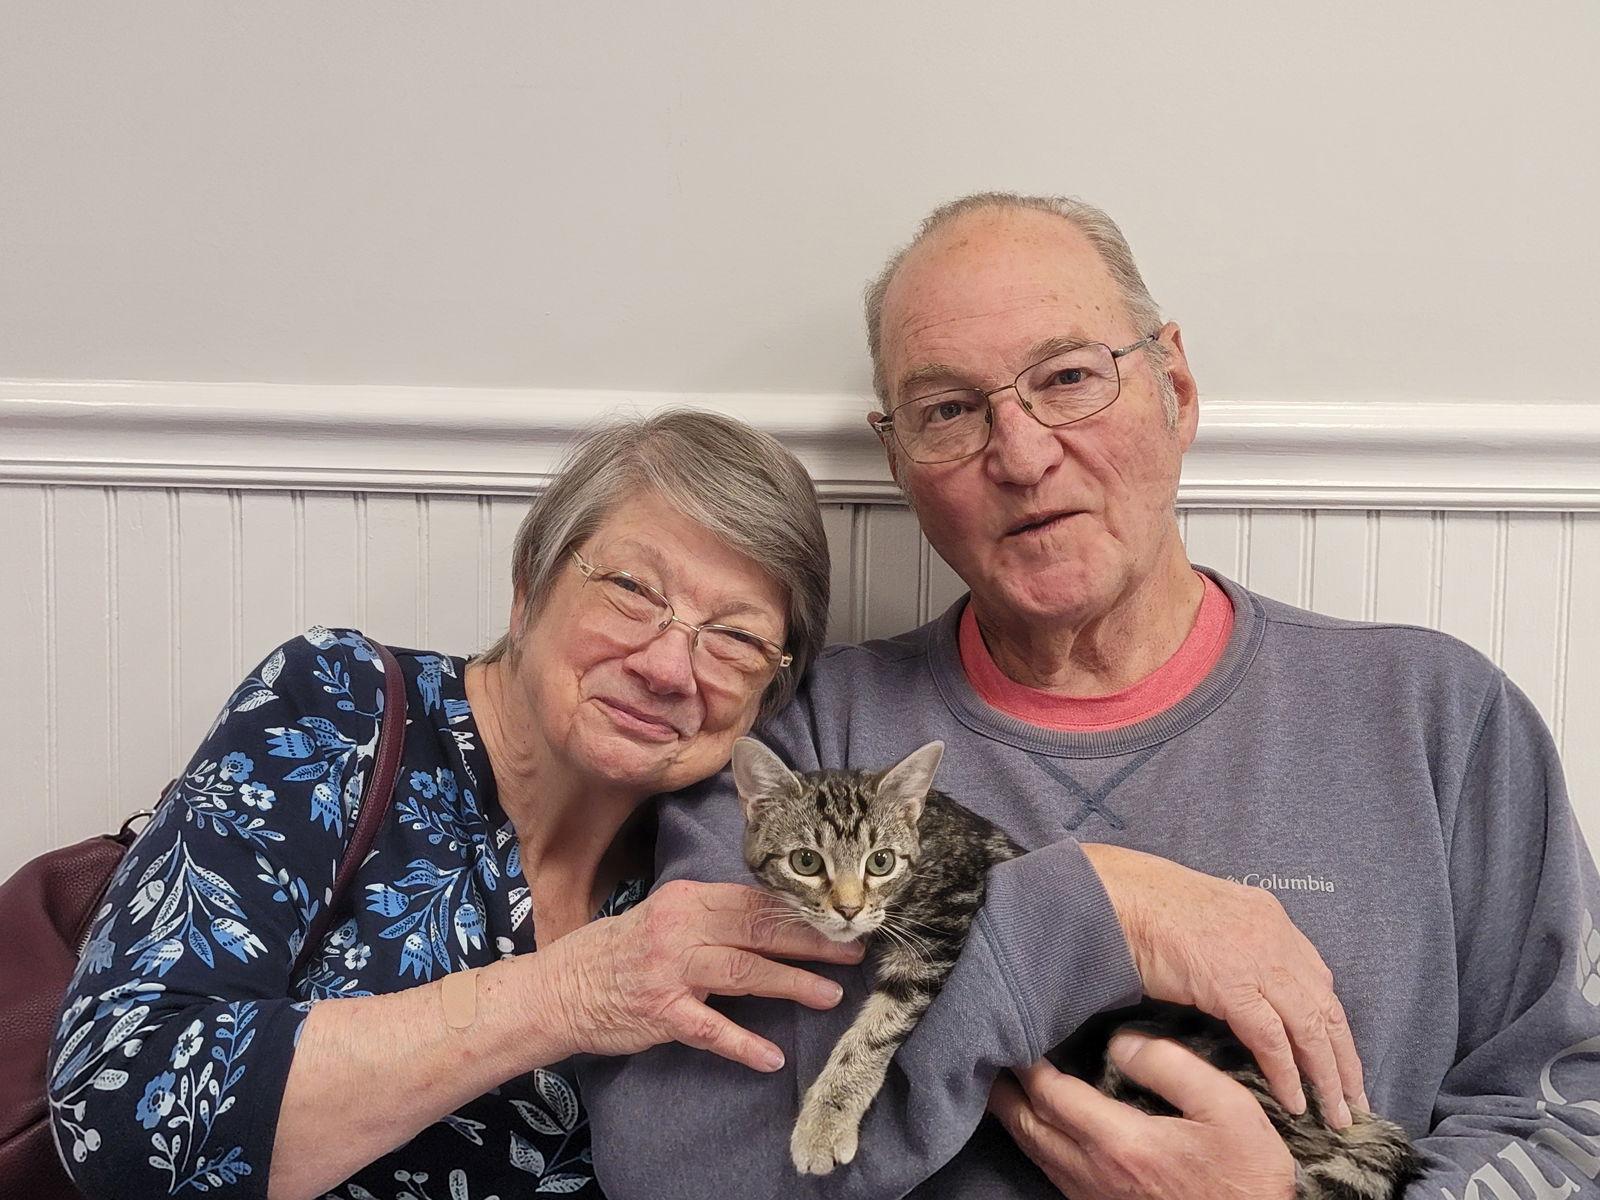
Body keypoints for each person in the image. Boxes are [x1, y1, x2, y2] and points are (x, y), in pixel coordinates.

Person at [581, 194, 1600, 1199]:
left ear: (1176, 389)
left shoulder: (1437, 717)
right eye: (948, 411)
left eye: (1068, 378)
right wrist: (1091, 909)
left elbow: (1573, 1127)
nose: (1022, 457)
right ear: (899, 461)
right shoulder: (798, 742)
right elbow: (672, 1166)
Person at [46, 410, 867, 1200]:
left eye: (735, 638)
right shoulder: (340, 707)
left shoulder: (721, 852)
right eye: (631, 589)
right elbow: (119, 1112)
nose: (667, 667)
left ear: (770, 693)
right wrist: (569, 993)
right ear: (530, 588)